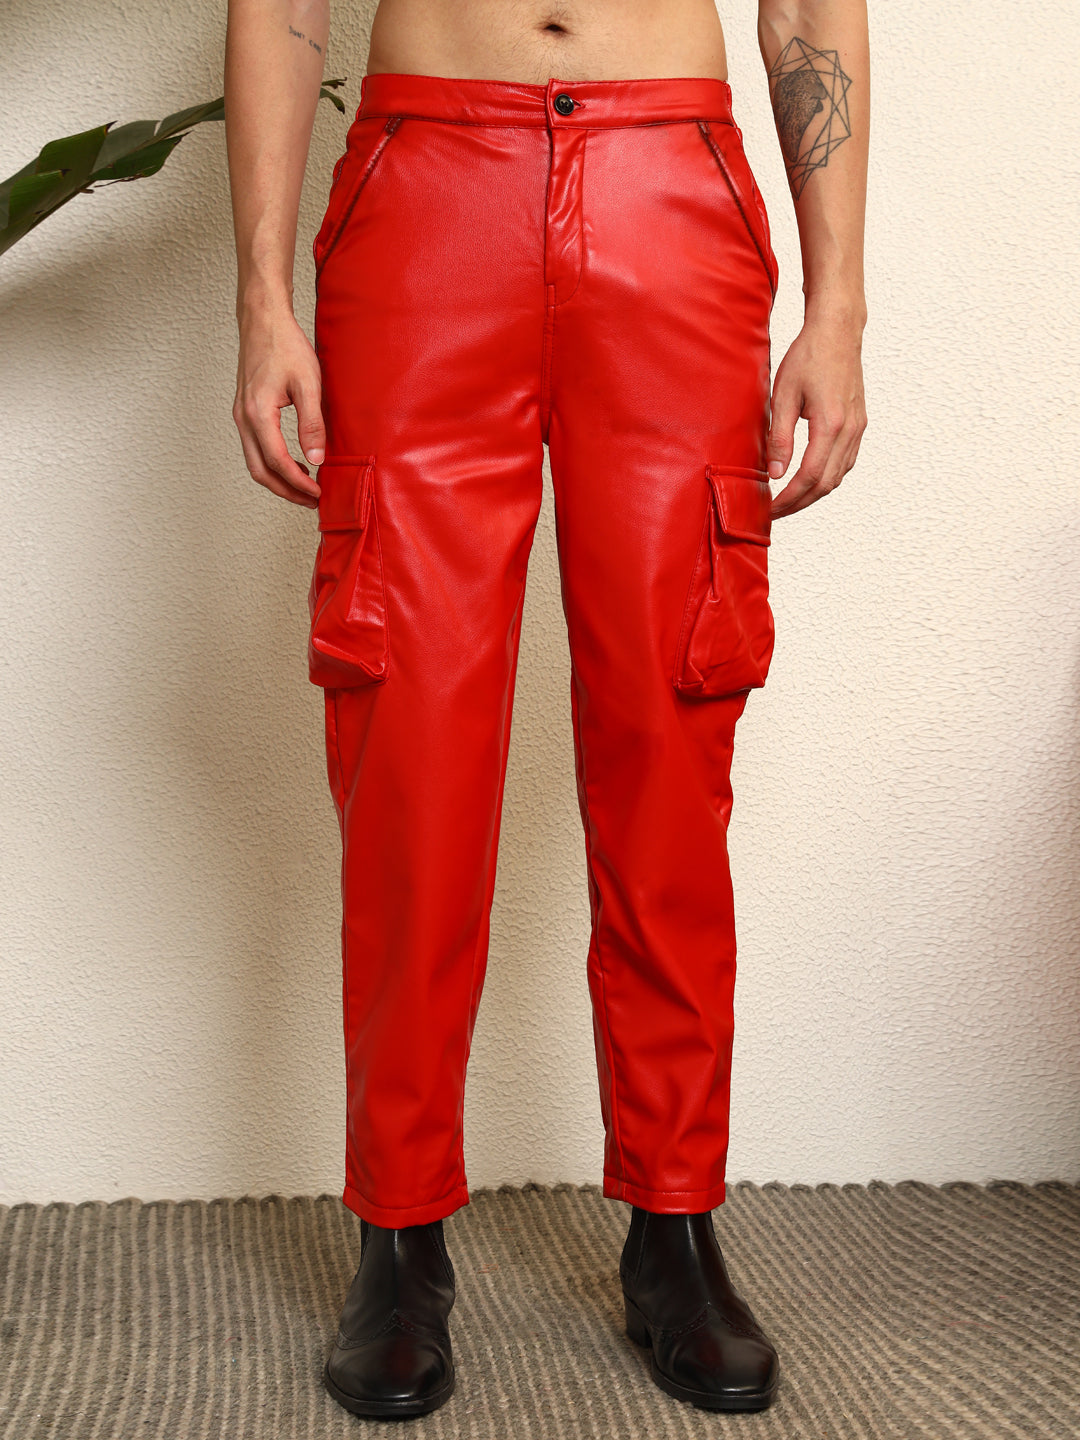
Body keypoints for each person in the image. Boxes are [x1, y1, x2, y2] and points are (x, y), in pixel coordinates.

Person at [224, 0, 868, 1418]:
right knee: (409, 746)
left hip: (669, 187)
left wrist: (838, 307)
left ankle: (675, 1223)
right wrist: (263, 298)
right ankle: (399, 1236)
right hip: (427, 190)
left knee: (670, 741)